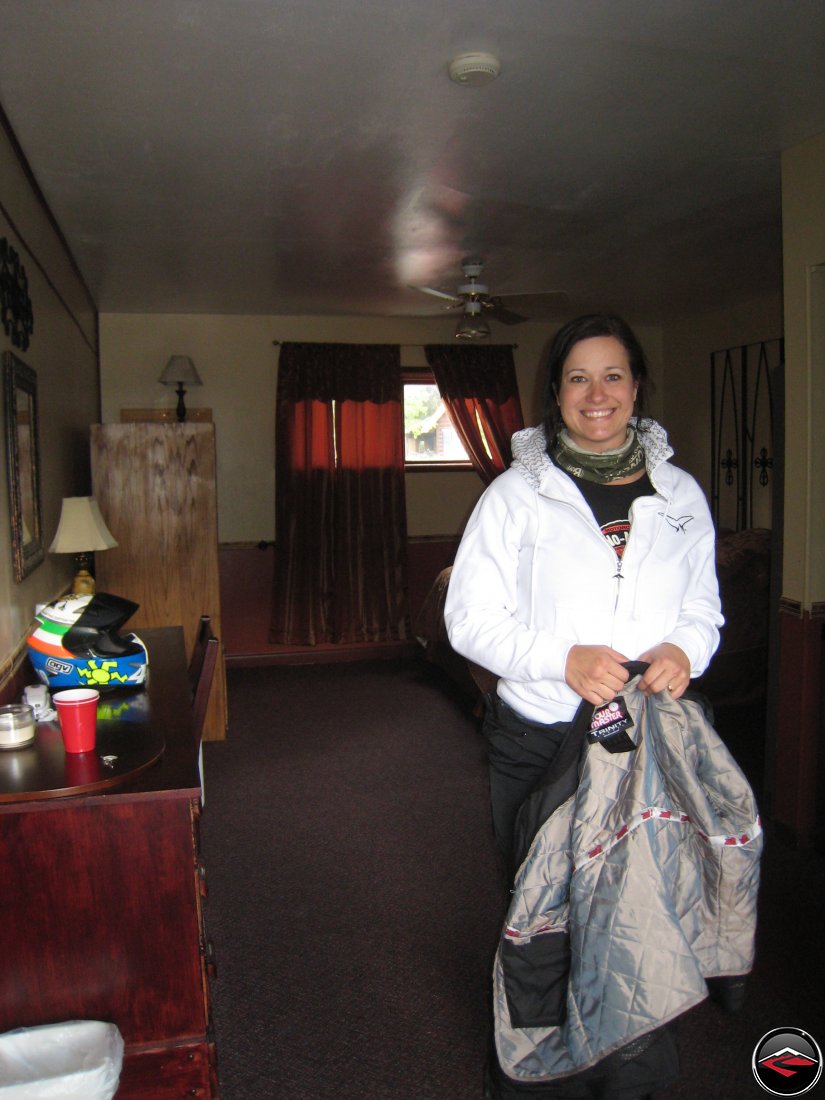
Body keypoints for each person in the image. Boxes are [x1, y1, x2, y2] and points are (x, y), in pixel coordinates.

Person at [444, 313, 724, 1099]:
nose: (595, 393)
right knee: (545, 910)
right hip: (538, 737)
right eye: (577, 377)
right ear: (554, 395)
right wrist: (557, 659)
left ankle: (627, 1066)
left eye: (612, 375)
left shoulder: (679, 495)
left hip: (641, 744)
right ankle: (542, 1070)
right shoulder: (514, 495)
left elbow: (701, 607)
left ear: (636, 387)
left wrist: (682, 651)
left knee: (640, 908)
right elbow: (466, 618)